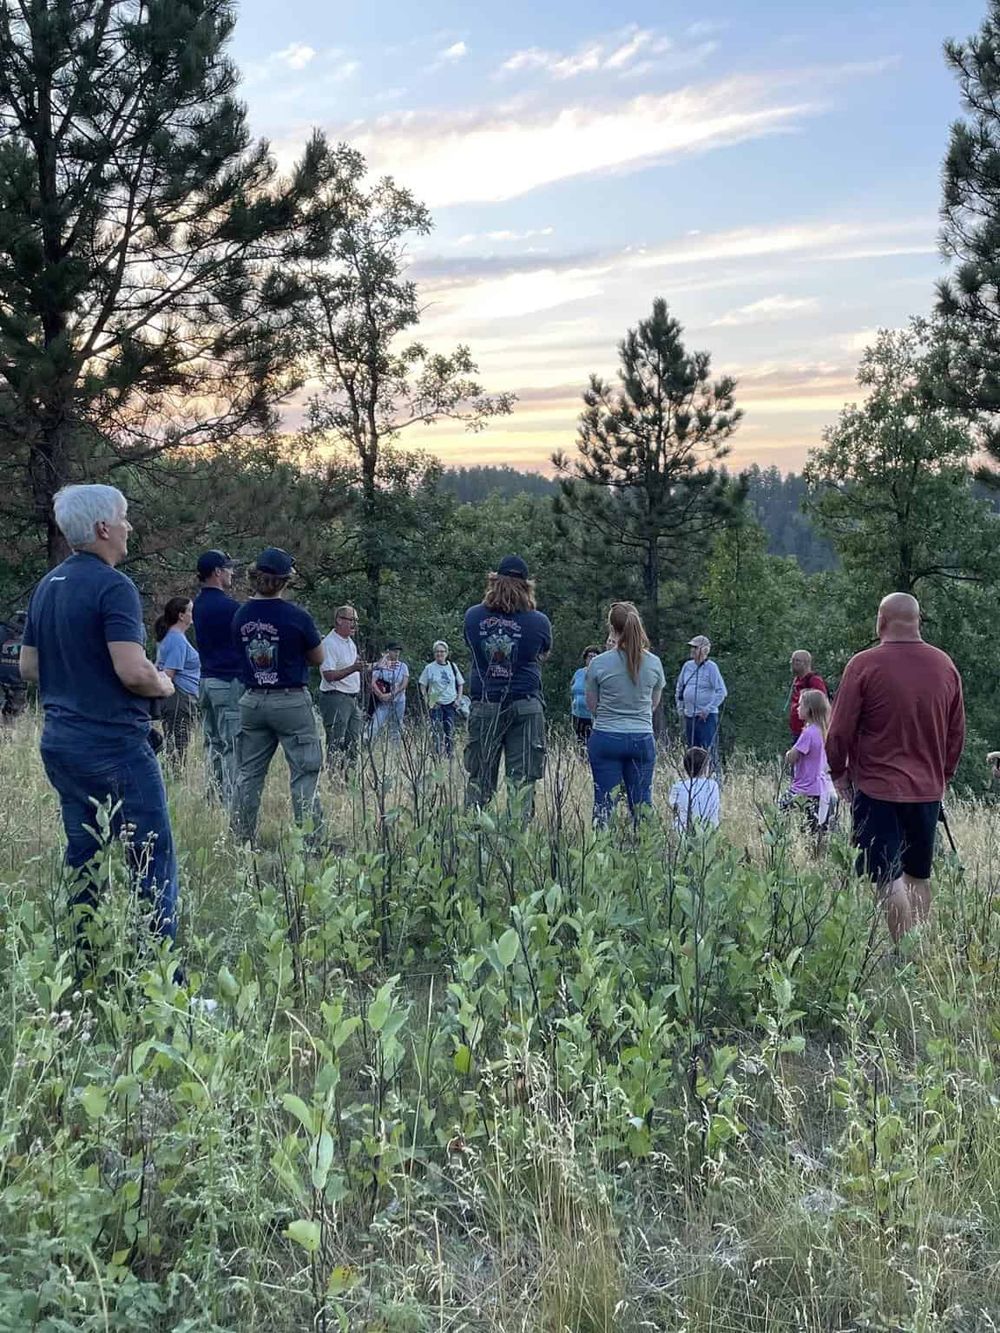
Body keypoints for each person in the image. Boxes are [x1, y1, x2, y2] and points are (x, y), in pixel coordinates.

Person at [18, 484, 179, 945]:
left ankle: (83, 958)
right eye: (123, 518)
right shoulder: (114, 586)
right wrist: (162, 683)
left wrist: (77, 672)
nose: (129, 527)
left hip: (61, 741)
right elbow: (133, 671)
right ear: (103, 527)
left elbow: (29, 667)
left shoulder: (48, 585)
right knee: (150, 857)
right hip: (114, 743)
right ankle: (159, 968)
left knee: (84, 856)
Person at [826, 592, 965, 943]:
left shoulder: (863, 665)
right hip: (927, 789)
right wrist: (943, 776)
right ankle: (920, 953)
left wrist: (839, 773)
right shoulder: (944, 665)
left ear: (881, 620)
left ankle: (901, 952)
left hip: (877, 788)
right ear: (917, 621)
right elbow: (956, 732)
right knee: (918, 875)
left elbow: (839, 730)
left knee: (887, 877)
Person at [230, 549, 325, 843]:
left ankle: (241, 840)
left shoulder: (241, 615)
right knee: (304, 772)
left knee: (249, 774)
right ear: (285, 580)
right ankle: (310, 842)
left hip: (252, 700)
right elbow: (318, 658)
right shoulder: (297, 616)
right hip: (290, 700)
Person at [463, 554, 552, 815]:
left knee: (479, 780)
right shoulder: (539, 621)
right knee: (522, 782)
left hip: (486, 703)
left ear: (494, 581)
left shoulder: (473, 617)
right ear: (527, 586)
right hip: (525, 704)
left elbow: (471, 647)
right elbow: (543, 652)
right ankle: (517, 834)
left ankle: (474, 832)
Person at [584, 602, 665, 825]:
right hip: (641, 737)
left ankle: (602, 844)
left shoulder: (598, 664)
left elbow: (592, 705)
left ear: (612, 628)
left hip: (606, 736)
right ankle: (644, 845)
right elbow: (653, 704)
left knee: (604, 804)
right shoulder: (654, 663)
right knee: (642, 805)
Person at [192, 550, 243, 803]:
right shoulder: (231, 608)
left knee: (213, 743)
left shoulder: (198, 604)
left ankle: (214, 795)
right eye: (228, 568)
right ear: (217, 572)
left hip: (206, 681)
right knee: (232, 744)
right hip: (227, 681)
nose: (232, 572)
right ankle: (231, 801)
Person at [781, 688, 835, 832]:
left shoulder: (808, 733)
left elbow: (792, 757)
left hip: (803, 788)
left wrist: (788, 753)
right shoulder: (823, 731)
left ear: (809, 710)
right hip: (820, 788)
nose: (797, 708)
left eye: (800, 705)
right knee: (814, 828)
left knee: (781, 811)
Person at [154, 597, 201, 760]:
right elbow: (168, 674)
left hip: (179, 697)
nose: (192, 614)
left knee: (176, 741)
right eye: (190, 611)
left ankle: (174, 771)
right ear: (181, 615)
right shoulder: (176, 640)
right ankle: (176, 772)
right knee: (178, 743)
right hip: (179, 697)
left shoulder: (173, 637)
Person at [318, 605, 365, 769]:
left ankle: (350, 778)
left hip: (352, 698)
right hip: (336, 697)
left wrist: (377, 666)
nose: (355, 624)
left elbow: (355, 669)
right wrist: (354, 668)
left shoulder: (350, 643)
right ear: (339, 620)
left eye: (356, 621)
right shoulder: (329, 644)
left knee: (353, 743)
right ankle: (334, 778)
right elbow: (329, 675)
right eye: (351, 620)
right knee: (336, 742)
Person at [675, 635, 727, 752]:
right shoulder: (687, 666)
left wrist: (707, 709)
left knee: (707, 750)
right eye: (692, 647)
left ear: (705, 650)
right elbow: (680, 687)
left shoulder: (711, 668)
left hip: (706, 718)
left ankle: (711, 765)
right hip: (689, 716)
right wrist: (680, 708)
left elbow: (722, 691)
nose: (692, 650)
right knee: (692, 752)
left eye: (695, 647)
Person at [419, 640, 464, 756]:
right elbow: (422, 685)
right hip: (435, 703)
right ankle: (437, 754)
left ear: (446, 653)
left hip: (451, 703)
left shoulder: (453, 667)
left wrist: (458, 699)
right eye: (437, 651)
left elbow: (460, 684)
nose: (440, 654)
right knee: (436, 731)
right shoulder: (429, 668)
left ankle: (450, 755)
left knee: (450, 730)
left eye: (442, 651)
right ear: (434, 653)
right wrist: (427, 699)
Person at [669, 747, 721, 833]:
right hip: (709, 831)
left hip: (682, 832)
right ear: (705, 767)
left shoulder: (677, 787)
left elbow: (673, 809)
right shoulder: (713, 786)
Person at [369, 642, 409, 742]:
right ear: (388, 652)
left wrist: (393, 694)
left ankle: (395, 748)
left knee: (396, 727)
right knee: (375, 725)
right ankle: (368, 743)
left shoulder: (403, 666)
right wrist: (381, 695)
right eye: (394, 651)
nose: (397, 653)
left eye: (398, 651)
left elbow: (404, 684)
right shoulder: (381, 665)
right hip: (383, 701)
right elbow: (373, 682)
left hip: (399, 700)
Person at [788, 650, 828, 738]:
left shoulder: (814, 680)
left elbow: (821, 705)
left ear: (806, 663)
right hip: (796, 730)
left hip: (808, 731)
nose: (792, 663)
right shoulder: (797, 681)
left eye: (797, 660)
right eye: (792, 660)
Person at [0, 610, 27, 727]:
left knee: (13, 710)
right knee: (14, 711)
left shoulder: (2, 630)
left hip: (8, 677)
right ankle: (8, 732)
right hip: (18, 679)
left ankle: (7, 732)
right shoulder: (30, 635)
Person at [570, 646, 600, 745]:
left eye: (594, 657)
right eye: (589, 656)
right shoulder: (578, 672)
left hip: (591, 716)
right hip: (577, 714)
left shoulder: (599, 674)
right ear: (585, 658)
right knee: (578, 743)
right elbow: (572, 687)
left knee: (590, 743)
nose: (591, 659)